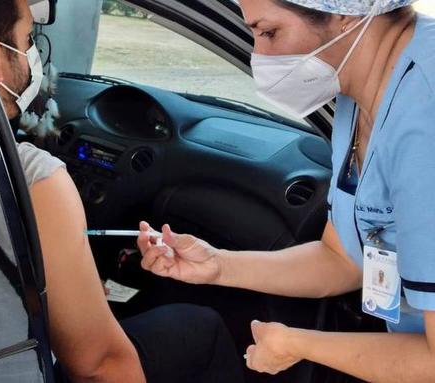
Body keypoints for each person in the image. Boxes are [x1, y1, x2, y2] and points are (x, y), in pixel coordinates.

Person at [138, 0, 435, 381]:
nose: (258, 56)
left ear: (344, 13)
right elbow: (342, 258)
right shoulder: (357, 91)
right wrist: (217, 266)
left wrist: (298, 345)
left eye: (269, 32)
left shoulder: (424, 113)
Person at [0, 1, 245, 382]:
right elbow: (100, 367)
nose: (33, 53)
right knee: (200, 325)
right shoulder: (33, 175)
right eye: (28, 37)